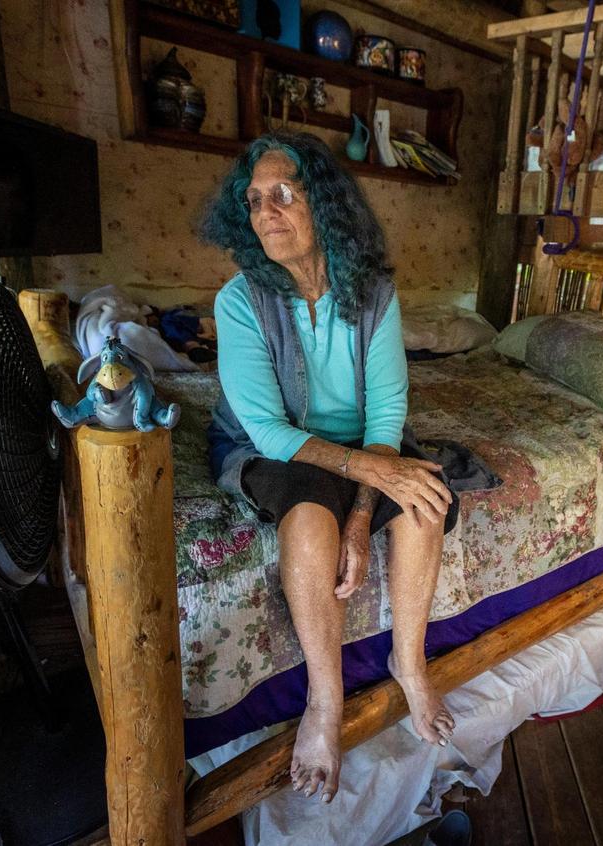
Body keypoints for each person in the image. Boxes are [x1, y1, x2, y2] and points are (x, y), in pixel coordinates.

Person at [202, 132, 456, 804]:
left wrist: (366, 506)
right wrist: (353, 494)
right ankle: (324, 699)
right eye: (254, 202)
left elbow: (385, 417)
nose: (267, 213)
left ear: (326, 204)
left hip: (359, 446)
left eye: (284, 194)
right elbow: (267, 430)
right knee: (313, 515)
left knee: (425, 498)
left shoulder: (372, 291)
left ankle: (409, 658)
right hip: (274, 447)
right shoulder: (240, 300)